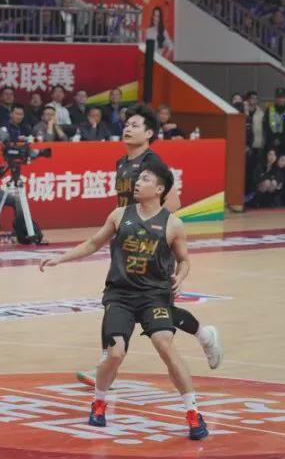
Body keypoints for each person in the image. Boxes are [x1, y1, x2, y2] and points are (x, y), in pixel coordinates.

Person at [40, 161, 209, 441]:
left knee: (165, 345)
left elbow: (184, 260)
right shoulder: (120, 215)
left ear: (159, 189)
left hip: (154, 296)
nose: (137, 183)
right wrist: (60, 258)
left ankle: (193, 412)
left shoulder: (173, 224)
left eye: (145, 179)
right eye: (138, 178)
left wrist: (180, 276)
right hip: (120, 295)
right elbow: (93, 243)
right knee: (115, 353)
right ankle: (99, 401)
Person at [76, 106, 222, 389]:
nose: (127, 128)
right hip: (127, 243)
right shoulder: (122, 163)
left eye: (134, 125)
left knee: (156, 309)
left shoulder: (152, 162)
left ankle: (205, 335)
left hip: (152, 244)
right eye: (126, 124)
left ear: (149, 133)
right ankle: (106, 363)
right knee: (118, 301)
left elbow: (174, 203)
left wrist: (149, 229)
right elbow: (124, 205)